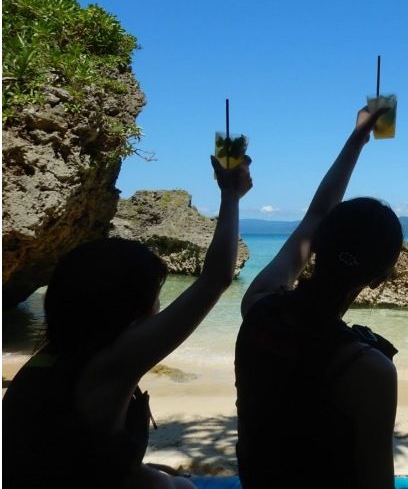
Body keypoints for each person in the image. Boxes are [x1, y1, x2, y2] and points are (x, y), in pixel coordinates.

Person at [3, 156, 253, 488]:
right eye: (155, 292)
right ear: (132, 306)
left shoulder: (49, 359)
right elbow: (215, 279)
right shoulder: (110, 364)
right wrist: (230, 196)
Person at [235, 105, 403, 489]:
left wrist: (357, 137)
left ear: (318, 247)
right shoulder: (369, 369)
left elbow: (316, 214)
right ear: (380, 280)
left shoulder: (259, 307)